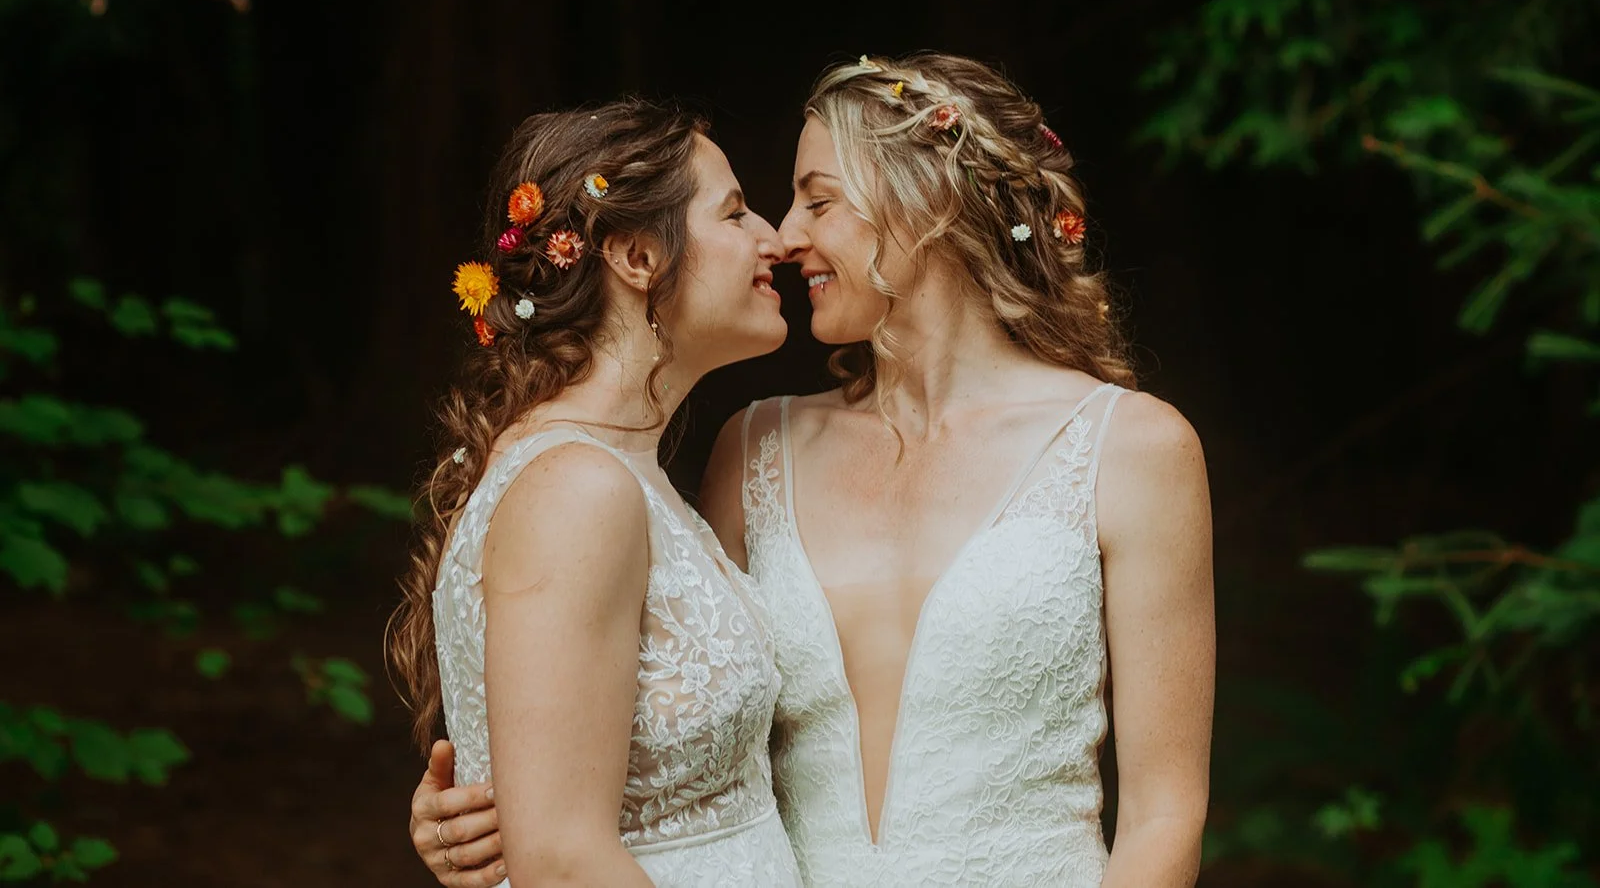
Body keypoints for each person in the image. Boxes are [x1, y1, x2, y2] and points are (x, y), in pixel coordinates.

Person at [409, 54, 1215, 886]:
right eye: (763, 206)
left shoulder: (1133, 451)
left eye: (817, 200)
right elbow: (653, 734)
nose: (786, 236)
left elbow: (1164, 815)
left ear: (927, 205)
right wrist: (492, 801)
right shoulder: (756, 448)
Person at [389, 100, 803, 887]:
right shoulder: (576, 490)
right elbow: (564, 861)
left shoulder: (625, 476)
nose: (773, 239)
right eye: (736, 212)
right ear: (638, 256)